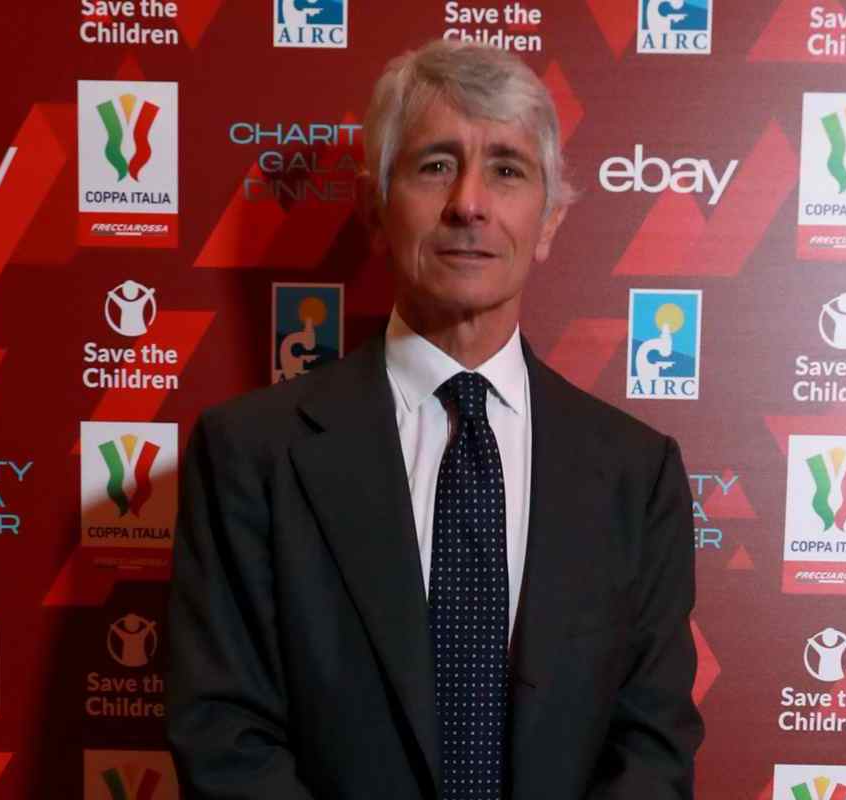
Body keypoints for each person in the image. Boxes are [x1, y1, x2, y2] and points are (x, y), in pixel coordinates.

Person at [167, 39, 703, 799]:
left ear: (550, 221)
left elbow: (652, 745)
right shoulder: (249, 455)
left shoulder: (635, 474)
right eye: (436, 165)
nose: (469, 203)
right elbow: (224, 737)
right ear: (374, 211)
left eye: (507, 170)